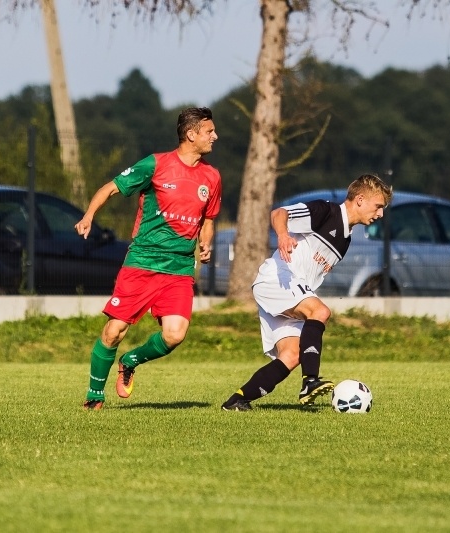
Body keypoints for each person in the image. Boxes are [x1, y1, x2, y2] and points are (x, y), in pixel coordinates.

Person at [77, 106, 221, 411]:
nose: (215, 136)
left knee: (174, 334)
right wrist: (89, 215)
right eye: (209, 131)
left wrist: (205, 245)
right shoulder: (156, 164)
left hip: (179, 267)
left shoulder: (212, 176)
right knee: (114, 331)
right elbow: (111, 188)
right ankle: (94, 394)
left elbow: (209, 219)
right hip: (142, 261)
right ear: (191, 134)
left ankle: (131, 360)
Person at [221, 174, 393, 411]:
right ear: (360, 199)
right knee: (320, 311)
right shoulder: (326, 212)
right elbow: (278, 213)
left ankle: (236, 401)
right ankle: (310, 382)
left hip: (290, 287)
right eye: (379, 206)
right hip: (278, 278)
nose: (381, 214)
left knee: (292, 355)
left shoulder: (346, 238)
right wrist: (283, 235)